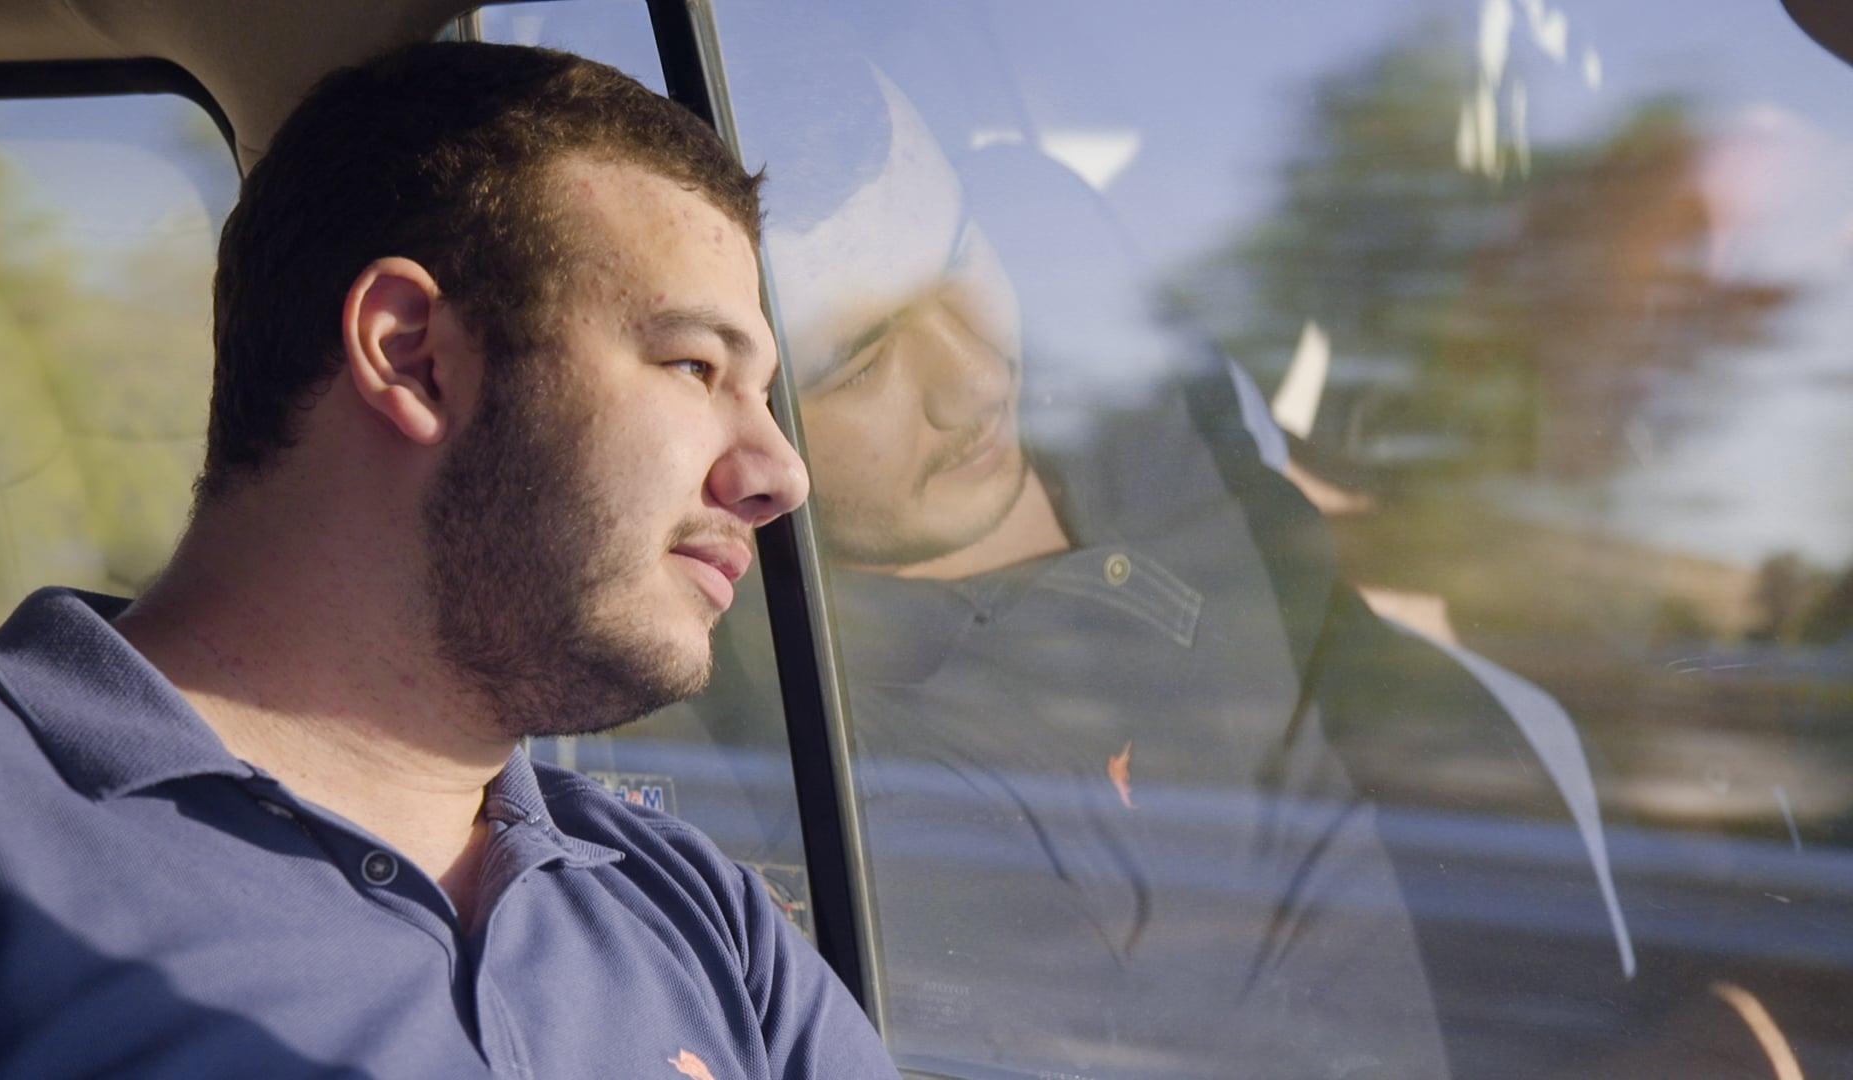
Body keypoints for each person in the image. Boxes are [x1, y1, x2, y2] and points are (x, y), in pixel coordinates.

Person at [582, 57, 1672, 1078]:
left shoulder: (1135, 400)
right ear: (728, 393)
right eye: (861, 360)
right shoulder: (785, 744)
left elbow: (1319, 609)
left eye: (961, 261)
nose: (975, 376)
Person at [0, 42, 899, 1079]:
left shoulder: (700, 917)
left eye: (763, 393)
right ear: (413, 357)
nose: (778, 474)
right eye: (695, 365)